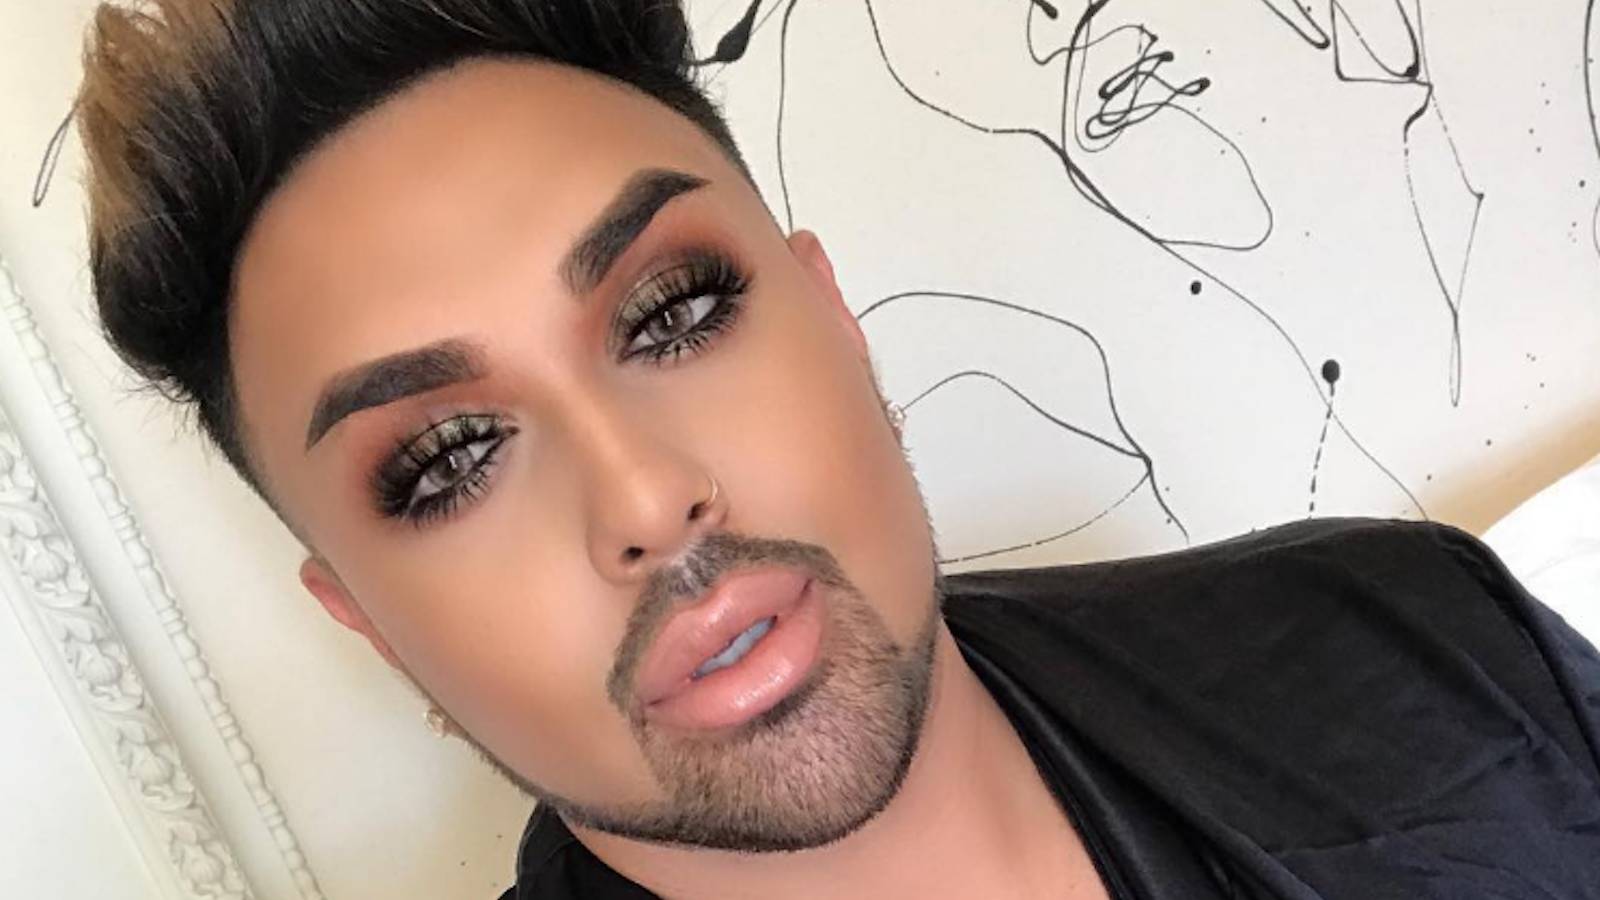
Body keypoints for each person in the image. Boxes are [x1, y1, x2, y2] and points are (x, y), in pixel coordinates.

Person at [74, 2, 1600, 897]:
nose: (647, 497)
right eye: (450, 461)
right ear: (366, 622)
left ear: (833, 316)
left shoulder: (1425, 646)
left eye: (674, 311)